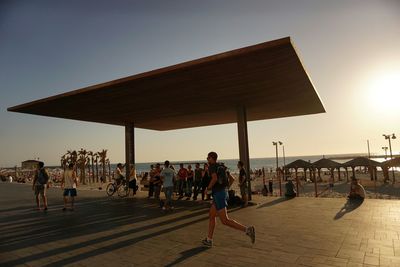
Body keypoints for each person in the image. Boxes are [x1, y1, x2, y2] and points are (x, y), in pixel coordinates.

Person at [202, 152, 255, 247]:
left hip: (218, 195)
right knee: (211, 215)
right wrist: (225, 189)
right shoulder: (222, 167)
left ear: (212, 158)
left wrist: (208, 189)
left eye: (208, 157)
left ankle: (248, 230)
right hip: (221, 193)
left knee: (225, 220)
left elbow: (214, 179)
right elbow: (232, 178)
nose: (207, 159)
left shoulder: (212, 166)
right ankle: (209, 240)